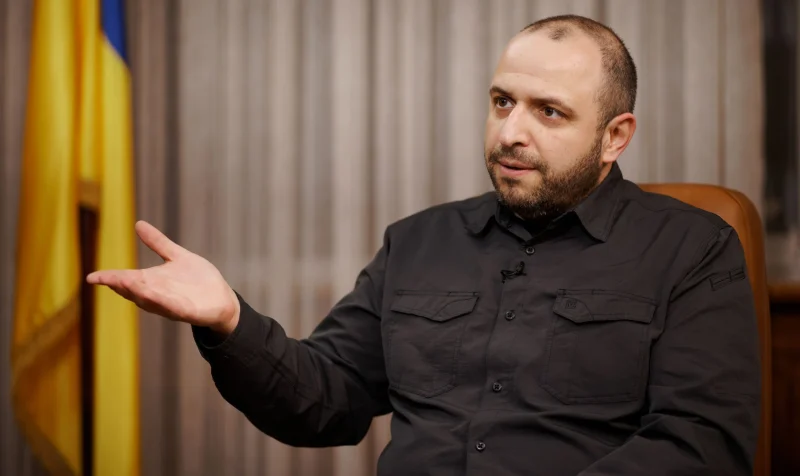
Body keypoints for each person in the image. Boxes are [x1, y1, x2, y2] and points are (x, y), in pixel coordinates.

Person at [88, 14, 761, 476]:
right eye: (502, 102)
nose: (510, 132)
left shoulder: (693, 249)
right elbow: (326, 402)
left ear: (615, 136)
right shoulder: (417, 241)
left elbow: (699, 445)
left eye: (549, 111)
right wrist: (229, 320)